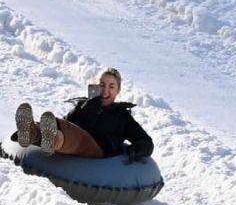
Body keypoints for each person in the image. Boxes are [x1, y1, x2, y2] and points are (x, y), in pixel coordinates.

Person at [13, 67, 154, 160]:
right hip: (71, 139)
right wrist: (87, 108)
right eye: (102, 85)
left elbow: (146, 142)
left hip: (97, 151)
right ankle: (31, 132)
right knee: (58, 124)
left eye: (111, 86)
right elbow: (66, 124)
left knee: (78, 138)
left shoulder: (122, 116)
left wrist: (136, 150)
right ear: (95, 86)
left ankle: (54, 140)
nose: (105, 91)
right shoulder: (84, 104)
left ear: (118, 91)